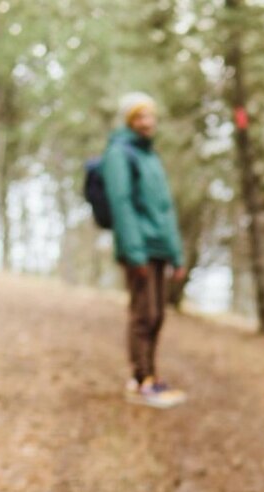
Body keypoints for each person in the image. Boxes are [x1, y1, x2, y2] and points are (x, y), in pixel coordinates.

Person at [101, 92, 187, 409]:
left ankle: (151, 376)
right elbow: (122, 205)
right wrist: (134, 252)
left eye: (150, 116)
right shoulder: (119, 154)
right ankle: (141, 379)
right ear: (128, 121)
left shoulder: (151, 156)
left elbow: (164, 210)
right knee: (143, 314)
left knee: (157, 315)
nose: (147, 122)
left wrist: (176, 254)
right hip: (139, 248)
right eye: (139, 117)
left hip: (159, 247)